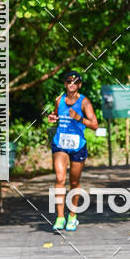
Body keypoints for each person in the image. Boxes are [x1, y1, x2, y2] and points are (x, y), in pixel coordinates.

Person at [47, 71, 98, 232]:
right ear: (65, 83)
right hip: (60, 143)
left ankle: (72, 216)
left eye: (75, 82)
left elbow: (94, 125)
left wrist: (79, 118)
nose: (72, 84)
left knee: (74, 182)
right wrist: (53, 117)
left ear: (79, 85)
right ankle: (60, 217)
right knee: (60, 178)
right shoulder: (59, 100)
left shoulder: (85, 103)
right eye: (69, 81)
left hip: (78, 145)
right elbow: (55, 115)